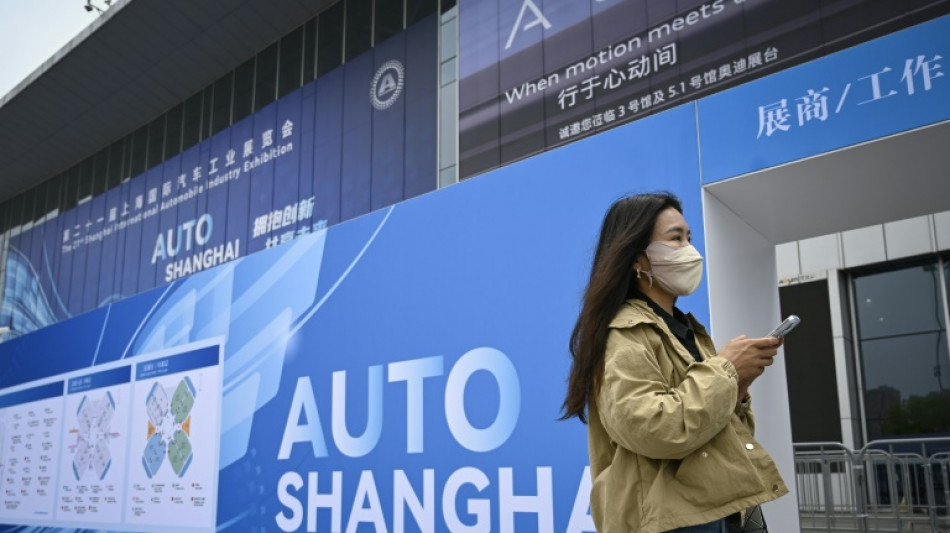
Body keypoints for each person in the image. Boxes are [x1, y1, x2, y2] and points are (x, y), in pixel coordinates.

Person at [561, 192, 788, 533]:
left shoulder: (687, 330)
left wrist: (737, 386)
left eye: (689, 238)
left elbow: (713, 428)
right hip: (672, 522)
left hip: (716, 510)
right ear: (639, 259)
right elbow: (651, 429)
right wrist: (726, 371)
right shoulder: (624, 332)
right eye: (675, 238)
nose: (689, 249)